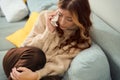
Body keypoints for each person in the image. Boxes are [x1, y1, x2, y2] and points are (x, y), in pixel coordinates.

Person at [3, 0, 92, 80]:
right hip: (19, 58)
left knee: (53, 78)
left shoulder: (81, 41)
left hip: (35, 70)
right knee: (37, 55)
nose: (62, 22)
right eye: (60, 15)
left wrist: (36, 75)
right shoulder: (44, 16)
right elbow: (26, 46)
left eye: (69, 19)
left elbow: (59, 66)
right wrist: (49, 32)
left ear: (80, 20)